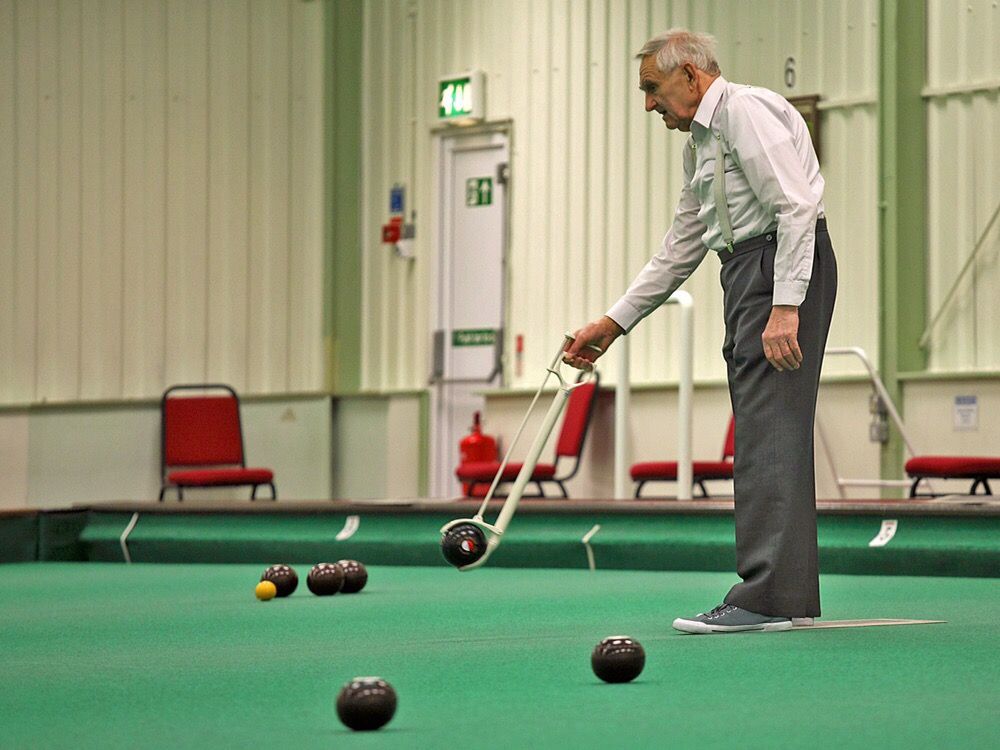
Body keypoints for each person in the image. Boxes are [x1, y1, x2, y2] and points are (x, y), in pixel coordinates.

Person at [563, 28, 837, 634]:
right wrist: (614, 323)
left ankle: (764, 599)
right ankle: (777, 595)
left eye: (651, 88)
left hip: (778, 269)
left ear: (690, 75)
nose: (647, 104)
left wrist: (786, 305)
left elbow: (795, 206)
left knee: (768, 433)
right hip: (747, 272)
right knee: (766, 432)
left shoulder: (746, 111)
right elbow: (683, 244)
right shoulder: (701, 144)